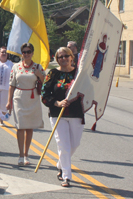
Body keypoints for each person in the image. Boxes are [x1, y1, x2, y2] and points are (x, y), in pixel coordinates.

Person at [41, 47, 83, 187]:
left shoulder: (79, 73)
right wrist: (57, 103)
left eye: (66, 56)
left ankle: (60, 164)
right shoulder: (53, 73)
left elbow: (88, 90)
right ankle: (66, 176)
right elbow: (45, 94)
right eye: (60, 57)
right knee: (63, 145)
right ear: (57, 59)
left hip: (76, 113)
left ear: (72, 57)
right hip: (57, 114)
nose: (63, 59)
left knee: (74, 144)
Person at [6, 43, 45, 166]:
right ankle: (20, 155)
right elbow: (11, 85)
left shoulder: (38, 67)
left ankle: (27, 154)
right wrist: (9, 102)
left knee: (29, 127)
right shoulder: (16, 67)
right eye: (24, 52)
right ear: (21, 53)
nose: (26, 54)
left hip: (32, 98)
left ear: (32, 53)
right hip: (19, 97)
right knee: (20, 126)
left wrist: (40, 76)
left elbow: (46, 83)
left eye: (28, 52)